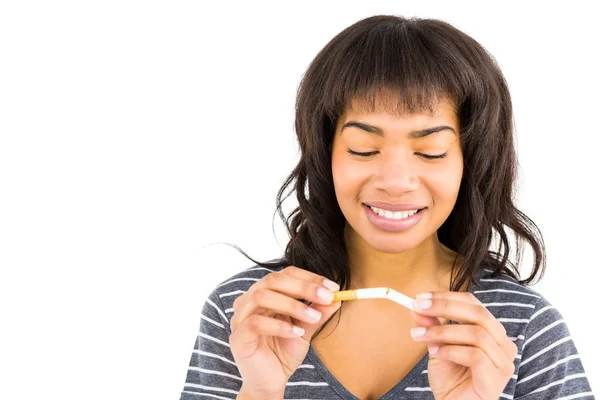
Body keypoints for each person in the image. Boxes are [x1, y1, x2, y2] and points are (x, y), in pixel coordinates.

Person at [180, 15, 595, 400]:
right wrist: (259, 392)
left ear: (471, 161)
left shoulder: (523, 327)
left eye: (430, 151)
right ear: (325, 152)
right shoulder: (250, 311)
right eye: (363, 148)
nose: (395, 181)